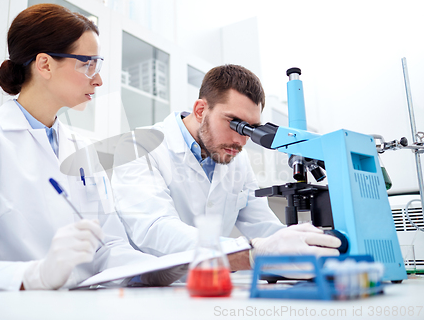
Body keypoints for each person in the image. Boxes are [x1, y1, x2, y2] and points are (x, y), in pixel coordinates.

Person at [0, 3, 184, 294]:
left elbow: (107, 246)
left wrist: (151, 269)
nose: (98, 79)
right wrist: (35, 276)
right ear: (45, 64)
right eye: (88, 64)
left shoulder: (82, 149)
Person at [111, 64, 341, 270]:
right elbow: (155, 229)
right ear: (201, 110)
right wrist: (248, 253)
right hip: (146, 291)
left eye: (251, 128)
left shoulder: (236, 158)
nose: (241, 141)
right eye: (235, 124)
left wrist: (311, 247)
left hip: (212, 289)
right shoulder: (137, 147)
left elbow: (264, 228)